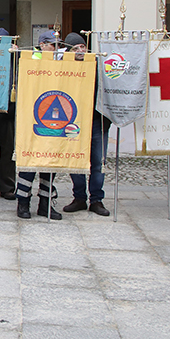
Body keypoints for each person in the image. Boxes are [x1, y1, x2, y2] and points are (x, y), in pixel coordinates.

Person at [61, 32, 111, 216]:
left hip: (98, 122)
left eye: (82, 47)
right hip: (75, 122)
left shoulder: (98, 67)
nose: (81, 50)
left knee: (98, 162)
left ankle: (97, 199)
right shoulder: (65, 70)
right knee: (75, 160)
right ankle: (79, 197)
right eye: (75, 48)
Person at [16, 30, 63, 220]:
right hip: (32, 116)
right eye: (54, 44)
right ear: (43, 44)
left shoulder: (62, 61)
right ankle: (23, 203)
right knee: (29, 161)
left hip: (54, 116)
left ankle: (45, 203)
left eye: (58, 44)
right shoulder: (32, 58)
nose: (57, 48)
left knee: (50, 161)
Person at [0, 27, 18, 200]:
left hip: (9, 112)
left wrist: (16, 54)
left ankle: (7, 186)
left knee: (8, 152)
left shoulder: (16, 59)